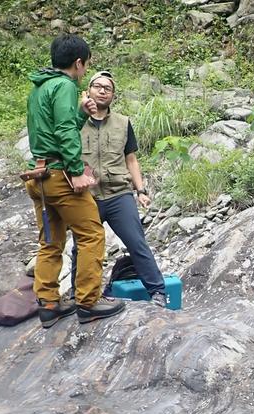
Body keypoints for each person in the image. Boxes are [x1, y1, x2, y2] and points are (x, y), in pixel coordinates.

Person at [25, 34, 125, 328]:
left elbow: (52, 128)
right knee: (92, 234)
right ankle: (89, 301)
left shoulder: (39, 88)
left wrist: (81, 116)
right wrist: (77, 170)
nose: (85, 72)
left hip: (38, 176)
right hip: (59, 177)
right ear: (79, 63)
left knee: (50, 241)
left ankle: (48, 303)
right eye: (86, 66)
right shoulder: (66, 86)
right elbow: (65, 133)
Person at [70, 70, 168, 307]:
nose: (102, 91)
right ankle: (78, 295)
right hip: (86, 195)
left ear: (113, 95)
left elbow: (131, 159)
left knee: (136, 241)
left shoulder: (123, 123)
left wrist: (141, 189)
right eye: (97, 86)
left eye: (108, 88)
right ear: (88, 91)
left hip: (118, 193)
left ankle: (158, 291)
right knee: (83, 246)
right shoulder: (74, 121)